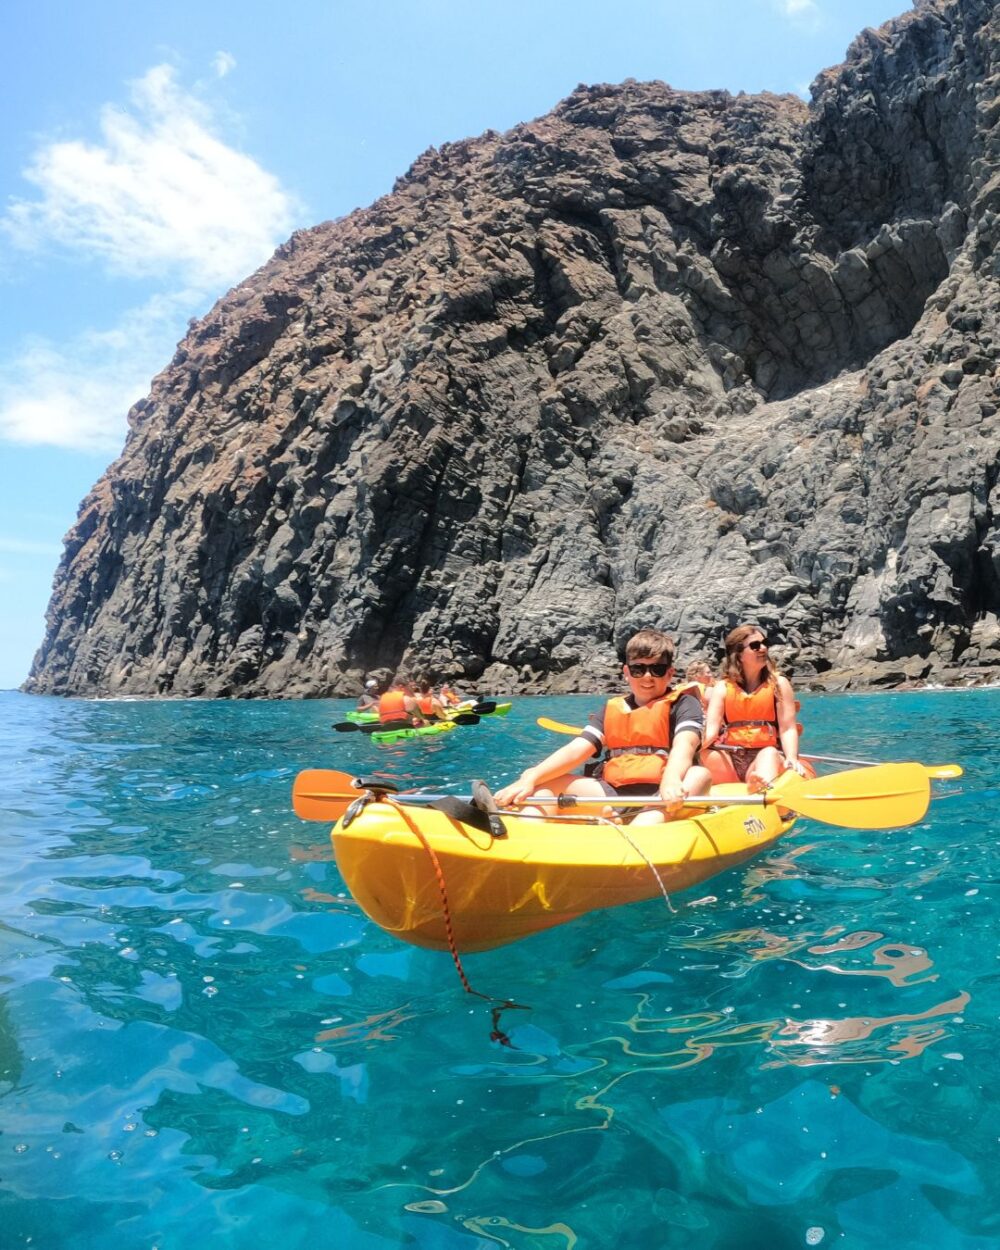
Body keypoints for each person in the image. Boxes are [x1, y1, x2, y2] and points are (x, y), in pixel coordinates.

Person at [494, 629, 711, 826]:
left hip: (665, 792)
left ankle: (641, 824)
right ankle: (525, 828)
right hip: (613, 793)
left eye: (657, 669)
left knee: (699, 774)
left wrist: (671, 779)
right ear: (626, 672)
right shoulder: (610, 709)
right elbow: (577, 749)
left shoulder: (684, 703)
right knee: (547, 783)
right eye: (638, 669)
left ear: (670, 674)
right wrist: (530, 777)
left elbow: (686, 744)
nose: (647, 676)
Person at [701, 624, 809, 791]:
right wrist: (689, 750)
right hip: (731, 756)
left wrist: (791, 757)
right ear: (739, 655)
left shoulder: (779, 684)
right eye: (755, 646)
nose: (763, 648)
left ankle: (759, 788)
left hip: (764, 754)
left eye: (764, 643)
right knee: (703, 756)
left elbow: (787, 728)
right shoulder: (722, 687)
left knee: (769, 754)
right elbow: (711, 732)